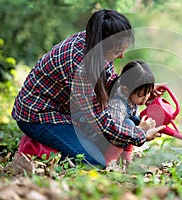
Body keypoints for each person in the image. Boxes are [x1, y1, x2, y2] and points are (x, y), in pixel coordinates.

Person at [12, 9, 165, 169]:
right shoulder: (82, 66)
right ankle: (38, 144)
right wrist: (140, 134)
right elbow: (101, 123)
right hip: (40, 115)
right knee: (94, 162)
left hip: (68, 111)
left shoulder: (97, 42)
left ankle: (60, 140)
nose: (121, 56)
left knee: (131, 122)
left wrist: (139, 87)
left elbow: (108, 82)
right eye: (118, 52)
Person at [104, 60, 157, 165]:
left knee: (136, 120)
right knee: (129, 124)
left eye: (148, 93)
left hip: (119, 136)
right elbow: (115, 131)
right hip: (107, 138)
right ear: (126, 90)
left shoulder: (131, 98)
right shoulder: (118, 104)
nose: (145, 98)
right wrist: (140, 131)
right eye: (142, 95)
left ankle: (126, 158)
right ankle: (110, 160)